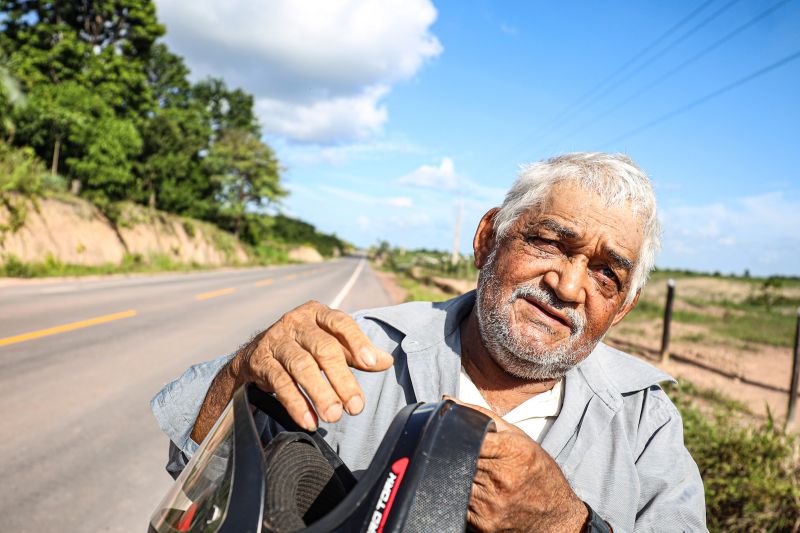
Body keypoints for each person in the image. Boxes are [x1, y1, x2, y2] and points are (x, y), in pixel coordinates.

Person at [152, 152, 707, 532]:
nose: (567, 286)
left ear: (623, 307)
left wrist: (568, 524)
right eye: (548, 243)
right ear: (487, 239)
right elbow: (197, 475)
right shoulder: (355, 348)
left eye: (607, 273)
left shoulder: (646, 424)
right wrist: (243, 372)